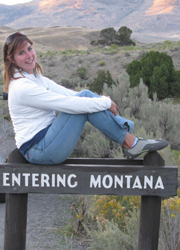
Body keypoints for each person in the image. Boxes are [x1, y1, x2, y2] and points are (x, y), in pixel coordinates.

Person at [3, 32, 168, 165]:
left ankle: (130, 142)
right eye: (21, 53)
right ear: (11, 59)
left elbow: (70, 95)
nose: (29, 55)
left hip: (47, 140)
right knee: (82, 104)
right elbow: (65, 104)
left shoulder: (35, 78)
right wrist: (104, 102)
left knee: (85, 96)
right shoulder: (22, 87)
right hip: (38, 150)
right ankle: (131, 143)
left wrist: (101, 101)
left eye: (30, 49)